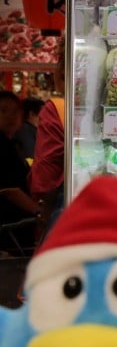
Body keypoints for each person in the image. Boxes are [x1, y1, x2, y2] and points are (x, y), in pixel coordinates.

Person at [28, 54, 67, 235]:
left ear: (60, 74)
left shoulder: (56, 108)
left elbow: (46, 172)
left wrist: (43, 209)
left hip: (67, 202)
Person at [0, 90, 37, 255]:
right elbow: (10, 190)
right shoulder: (2, 146)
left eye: (15, 111)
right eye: (3, 111)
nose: (10, 116)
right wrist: (40, 212)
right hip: (8, 231)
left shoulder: (13, 143)